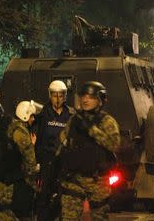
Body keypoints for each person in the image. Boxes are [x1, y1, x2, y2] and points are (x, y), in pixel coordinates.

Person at [58, 81, 120, 221]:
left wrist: (91, 129)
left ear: (100, 100)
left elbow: (113, 145)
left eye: (90, 97)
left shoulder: (106, 121)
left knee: (98, 216)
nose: (85, 100)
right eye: (83, 96)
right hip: (74, 178)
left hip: (97, 180)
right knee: (68, 216)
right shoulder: (74, 120)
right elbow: (63, 141)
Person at [35, 80, 75, 221]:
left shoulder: (71, 114)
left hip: (64, 163)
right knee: (43, 198)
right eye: (54, 95)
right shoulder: (41, 114)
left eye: (61, 95)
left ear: (65, 96)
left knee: (64, 198)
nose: (58, 99)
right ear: (49, 95)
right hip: (46, 163)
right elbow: (35, 138)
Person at [0, 100, 39, 220]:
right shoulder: (20, 131)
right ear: (25, 116)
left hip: (2, 181)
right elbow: (31, 165)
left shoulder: (6, 127)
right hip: (15, 185)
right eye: (31, 116)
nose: (33, 119)